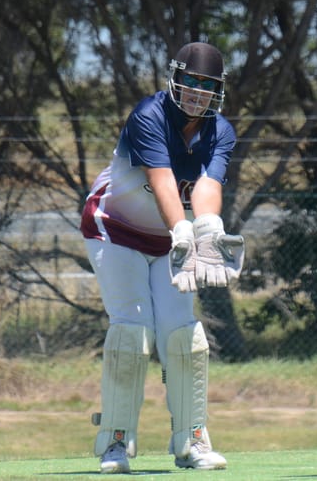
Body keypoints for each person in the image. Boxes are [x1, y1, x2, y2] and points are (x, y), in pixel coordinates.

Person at [80, 41, 245, 474]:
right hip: (114, 229)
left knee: (184, 337)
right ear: (174, 77)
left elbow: (207, 186)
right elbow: (164, 181)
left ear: (217, 91)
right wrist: (183, 230)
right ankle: (116, 441)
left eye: (206, 85)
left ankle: (191, 441)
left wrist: (208, 226)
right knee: (133, 332)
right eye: (189, 81)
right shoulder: (149, 115)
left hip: (172, 239)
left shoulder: (221, 131)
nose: (196, 91)